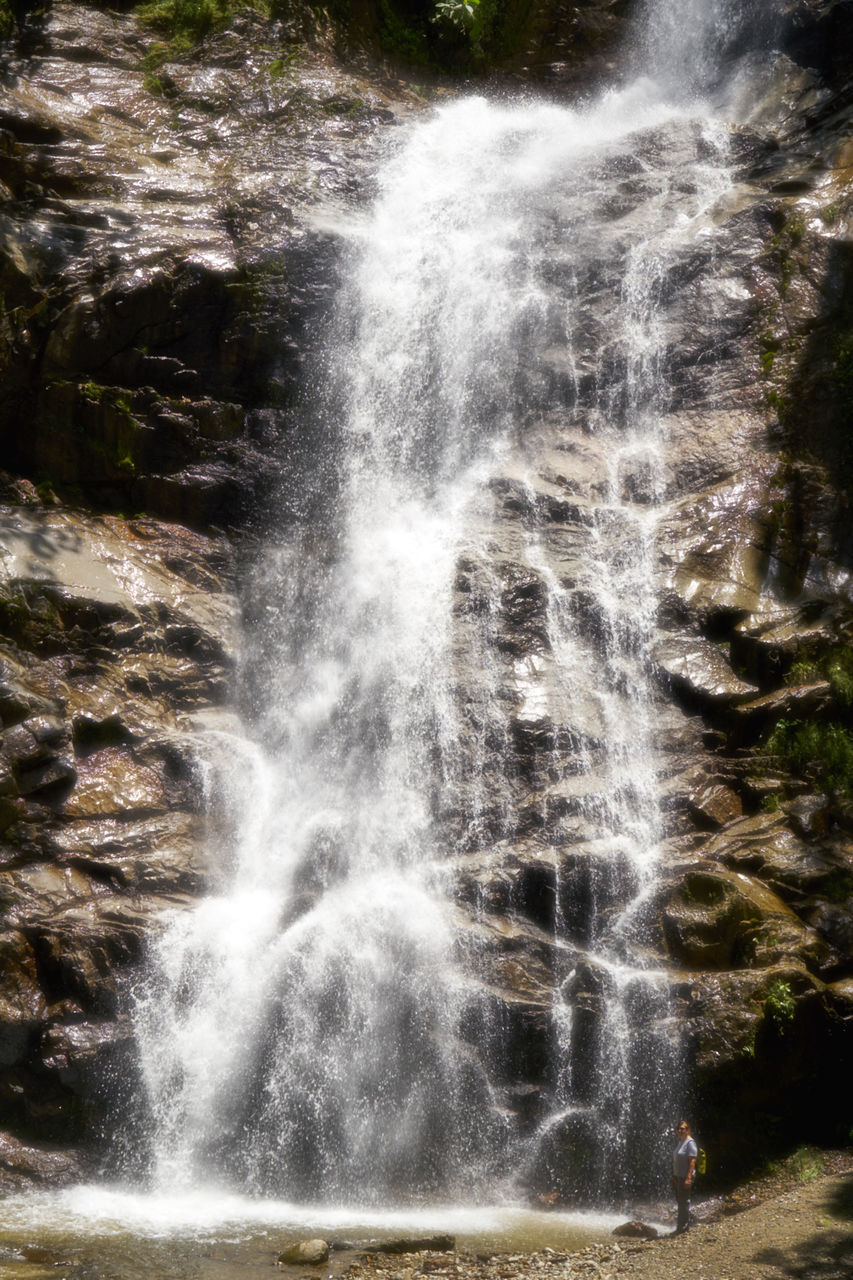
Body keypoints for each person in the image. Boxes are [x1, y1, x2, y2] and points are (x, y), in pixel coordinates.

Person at [671, 1119, 697, 1234]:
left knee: (684, 1202)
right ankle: (682, 1226)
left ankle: (683, 1228)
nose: (680, 1130)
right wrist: (675, 1176)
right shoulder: (681, 1142)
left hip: (686, 1176)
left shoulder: (690, 1142)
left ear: (688, 1130)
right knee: (681, 1202)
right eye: (679, 1129)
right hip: (678, 1176)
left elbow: (692, 1161)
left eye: (683, 1128)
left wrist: (688, 1178)